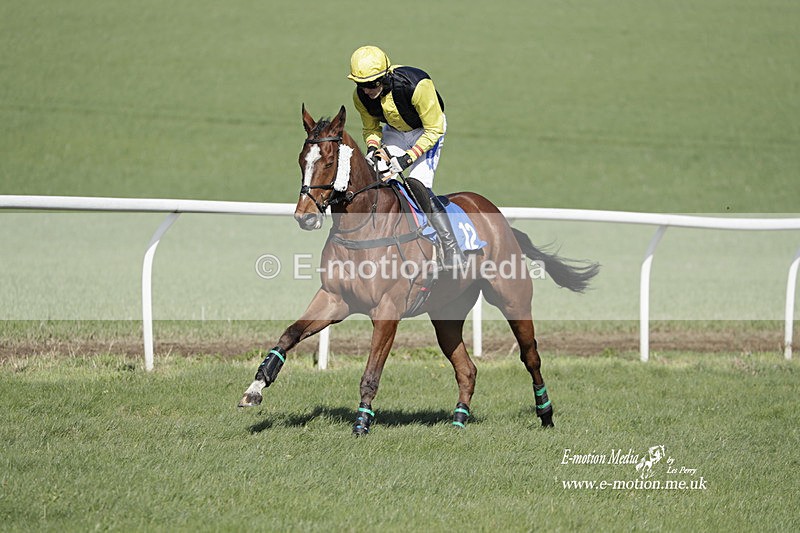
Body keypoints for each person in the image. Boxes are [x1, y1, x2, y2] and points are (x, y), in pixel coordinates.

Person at [347, 45, 465, 268]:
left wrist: (407, 159)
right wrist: (372, 149)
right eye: (361, 85)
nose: (367, 90)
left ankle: (452, 248)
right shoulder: (360, 97)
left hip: (427, 132)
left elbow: (434, 129)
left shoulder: (417, 85)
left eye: (372, 84)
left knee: (418, 184)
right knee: (379, 176)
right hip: (395, 133)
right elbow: (371, 129)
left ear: (386, 76)